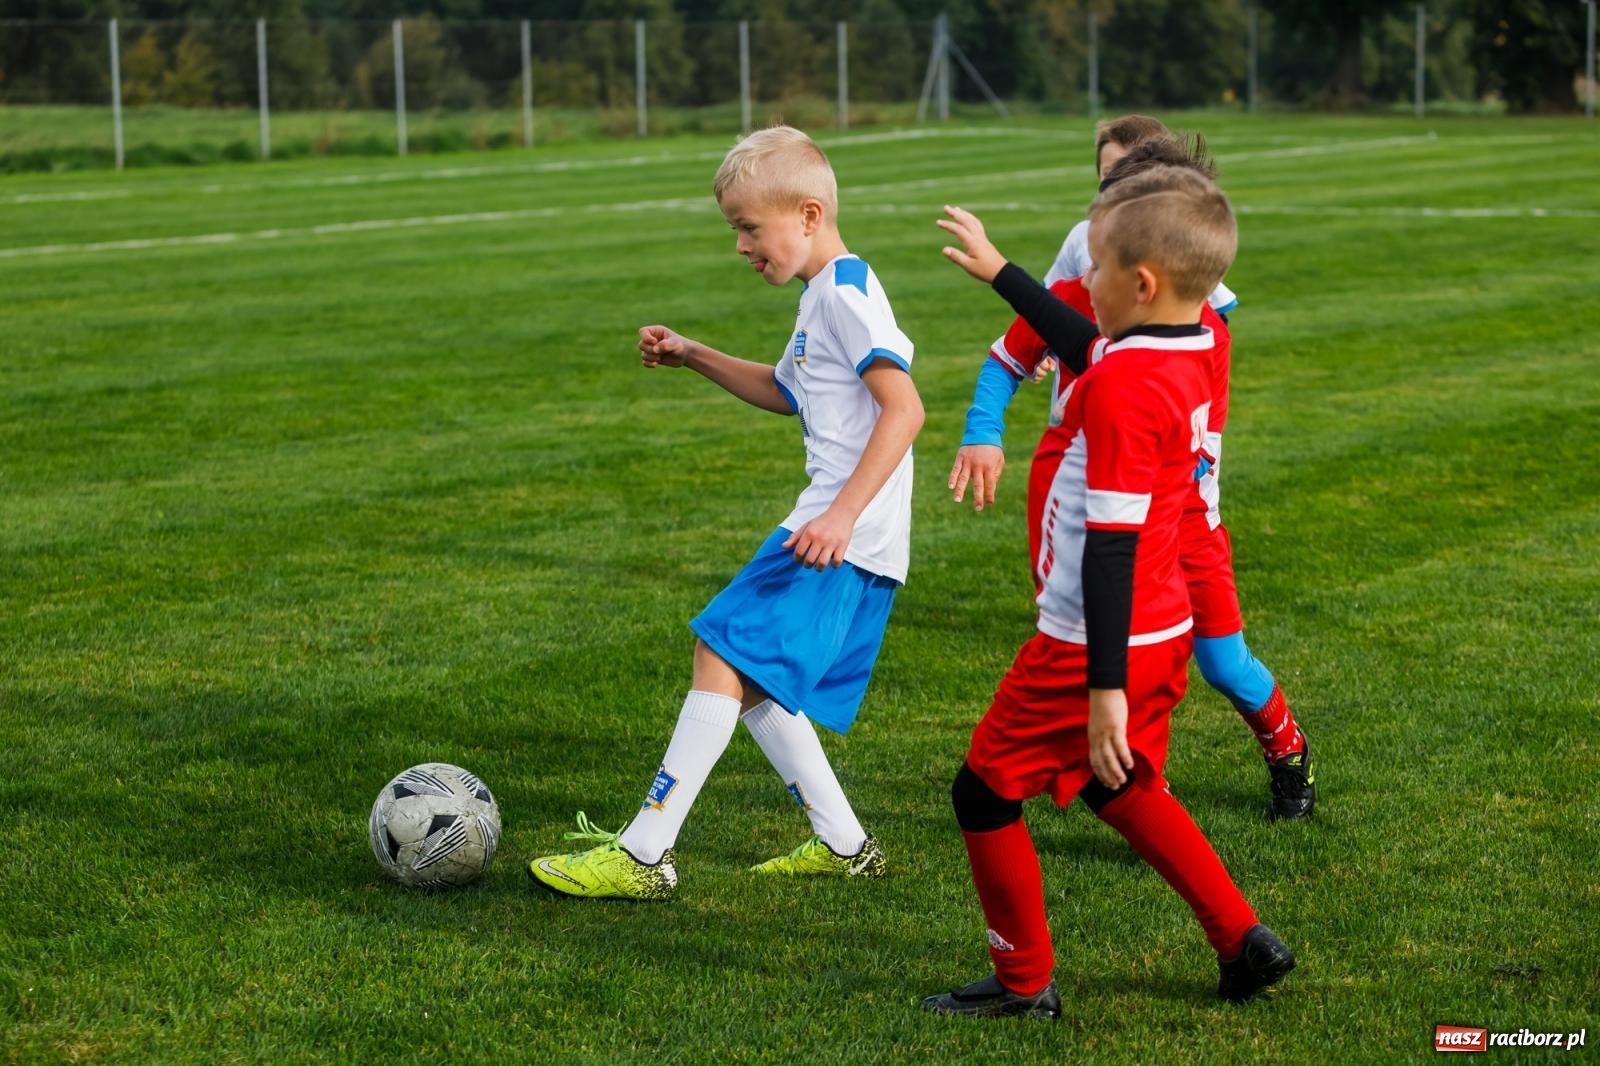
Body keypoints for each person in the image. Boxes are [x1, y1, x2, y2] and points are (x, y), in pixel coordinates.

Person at [921, 168, 1294, 1018]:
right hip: (1165, 626)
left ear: (1141, 284)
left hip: (1093, 640)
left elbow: (1112, 546)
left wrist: (1101, 692)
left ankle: (1024, 985)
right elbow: (1088, 343)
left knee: (981, 793)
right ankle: (1241, 939)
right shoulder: (1188, 346)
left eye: (1094, 269)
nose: (1080, 284)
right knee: (1121, 787)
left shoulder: (1125, 384)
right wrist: (1000, 273)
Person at [527, 125, 924, 901]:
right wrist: (694, 353)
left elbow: (904, 410)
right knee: (757, 680)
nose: (741, 245)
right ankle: (844, 844)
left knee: (719, 650)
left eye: (749, 227)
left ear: (809, 215)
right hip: (844, 527)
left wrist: (841, 517)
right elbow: (787, 391)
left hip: (841, 529)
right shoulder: (823, 293)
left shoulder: (845, 292)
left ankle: (644, 854)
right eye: (735, 229)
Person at [949, 131, 1314, 821]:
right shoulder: (1096, 292)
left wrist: (1007, 274)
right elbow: (1063, 342)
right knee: (1114, 655)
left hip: (1184, 524)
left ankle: (1287, 753)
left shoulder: (1190, 333)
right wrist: (983, 424)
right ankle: (1144, 796)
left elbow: (1100, 356)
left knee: (1222, 664)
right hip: (1106, 504)